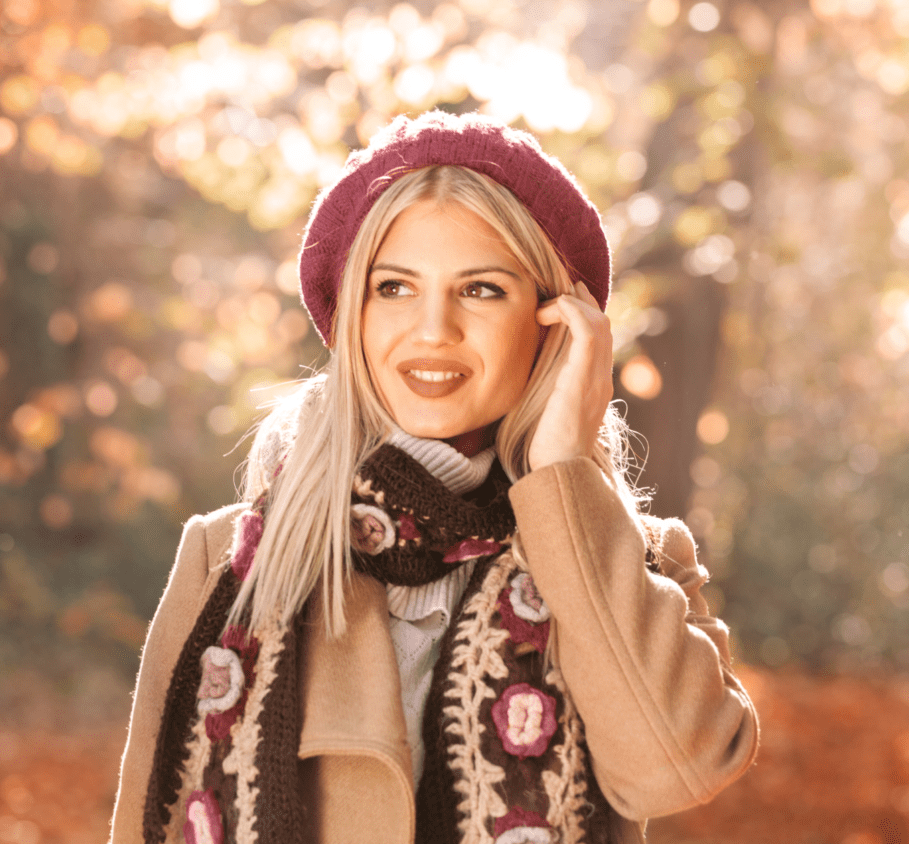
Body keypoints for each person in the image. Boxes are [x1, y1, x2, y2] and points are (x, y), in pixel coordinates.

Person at [109, 110, 758, 844]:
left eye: (480, 289)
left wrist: (564, 480)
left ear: (552, 322)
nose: (432, 330)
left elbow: (677, 771)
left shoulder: (634, 561)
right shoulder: (224, 563)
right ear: (353, 315)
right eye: (394, 288)